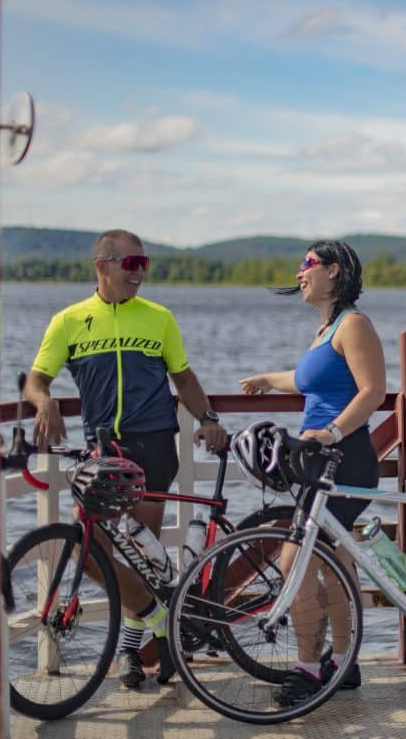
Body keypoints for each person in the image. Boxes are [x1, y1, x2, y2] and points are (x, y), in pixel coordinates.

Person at [25, 228, 228, 689]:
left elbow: (185, 378)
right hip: (103, 450)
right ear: (102, 265)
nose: (139, 273)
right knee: (90, 552)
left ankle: (130, 656)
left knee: (144, 556)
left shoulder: (158, 318)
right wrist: (45, 402)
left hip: (153, 445)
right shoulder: (68, 321)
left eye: (145, 264)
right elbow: (37, 379)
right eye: (131, 264)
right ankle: (162, 627)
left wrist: (209, 417)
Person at [239, 239, 386, 705]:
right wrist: (267, 379)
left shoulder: (353, 325)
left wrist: (333, 432)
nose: (299, 273)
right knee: (334, 562)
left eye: (308, 264)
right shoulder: (325, 331)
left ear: (334, 271)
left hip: (344, 458)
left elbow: (374, 391)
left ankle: (306, 667)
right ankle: (343, 662)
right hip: (319, 461)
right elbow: (306, 380)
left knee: (294, 559)